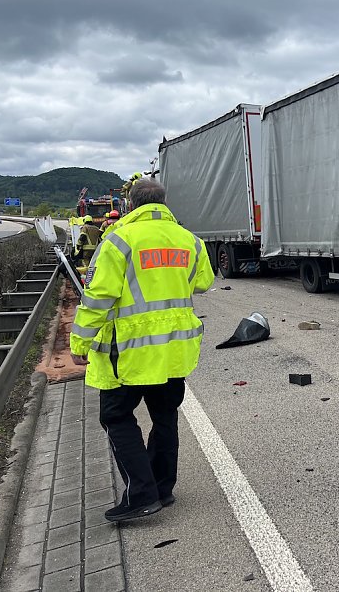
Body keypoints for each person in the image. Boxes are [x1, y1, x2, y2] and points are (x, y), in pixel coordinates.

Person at [70, 179, 214, 522]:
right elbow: (203, 282)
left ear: (131, 204)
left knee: (116, 417)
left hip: (129, 350)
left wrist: (79, 342)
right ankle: (162, 488)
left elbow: (99, 297)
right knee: (165, 416)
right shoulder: (189, 240)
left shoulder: (118, 240)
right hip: (174, 350)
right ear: (163, 202)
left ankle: (141, 496)